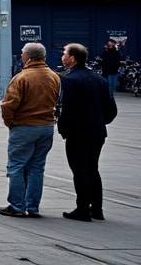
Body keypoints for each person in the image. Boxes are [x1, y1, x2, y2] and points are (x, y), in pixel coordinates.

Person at [0, 42, 59, 218]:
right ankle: (33, 205)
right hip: (46, 125)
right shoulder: (53, 76)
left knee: (16, 165)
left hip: (25, 125)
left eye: (23, 54)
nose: (22, 56)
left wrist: (10, 122)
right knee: (37, 167)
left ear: (28, 57)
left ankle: (17, 205)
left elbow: (9, 105)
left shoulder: (22, 77)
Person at [58, 43, 117, 221]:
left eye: (64, 53)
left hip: (78, 132)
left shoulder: (70, 80)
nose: (62, 56)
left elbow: (67, 108)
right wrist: (100, 121)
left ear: (72, 58)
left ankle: (82, 208)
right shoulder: (99, 79)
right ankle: (97, 209)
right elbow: (111, 110)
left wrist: (63, 128)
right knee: (93, 168)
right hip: (97, 132)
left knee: (79, 170)